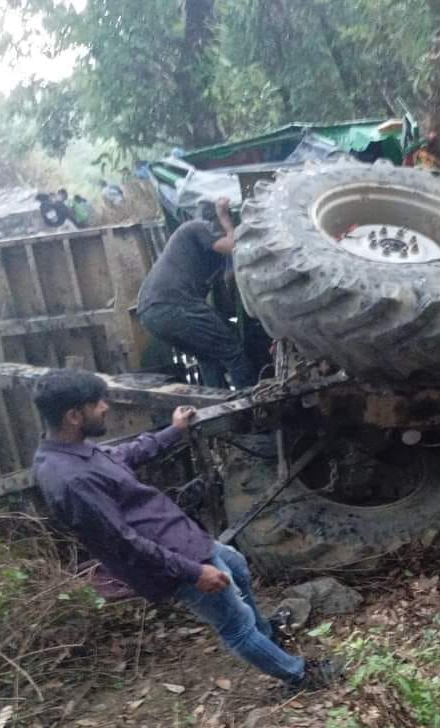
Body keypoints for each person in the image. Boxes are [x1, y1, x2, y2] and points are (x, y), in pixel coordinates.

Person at [32, 369, 340, 693]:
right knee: (235, 625)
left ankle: (266, 634)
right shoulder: (70, 480)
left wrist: (173, 431)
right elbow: (125, 545)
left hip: (181, 539)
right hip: (172, 562)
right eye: (97, 404)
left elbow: (125, 455)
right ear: (74, 415)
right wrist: (194, 573)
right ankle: (301, 676)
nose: (106, 407)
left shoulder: (75, 451)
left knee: (236, 566)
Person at [137, 197, 257, 389]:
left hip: (152, 313)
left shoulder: (206, 252)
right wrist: (225, 218)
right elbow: (233, 246)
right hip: (172, 305)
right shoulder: (196, 227)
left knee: (208, 356)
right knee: (231, 349)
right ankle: (256, 406)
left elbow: (229, 279)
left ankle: (221, 411)